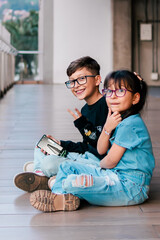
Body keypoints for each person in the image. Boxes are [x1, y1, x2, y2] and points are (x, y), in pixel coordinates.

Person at [29, 70, 155, 212]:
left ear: (96, 80)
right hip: (111, 172)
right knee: (60, 162)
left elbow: (107, 159)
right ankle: (57, 192)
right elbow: (100, 148)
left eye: (81, 79)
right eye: (109, 91)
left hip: (129, 185)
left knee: (72, 180)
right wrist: (107, 127)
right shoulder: (113, 116)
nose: (113, 96)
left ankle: (55, 186)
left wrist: (96, 169)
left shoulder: (128, 122)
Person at [14, 56, 108, 192]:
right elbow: (86, 145)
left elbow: (100, 146)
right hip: (84, 155)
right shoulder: (85, 110)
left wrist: (83, 124)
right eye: (72, 82)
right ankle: (42, 173)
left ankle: (41, 171)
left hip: (96, 162)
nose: (76, 85)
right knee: (43, 143)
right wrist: (61, 144)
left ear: (97, 80)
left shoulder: (108, 105)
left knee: (49, 163)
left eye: (82, 79)